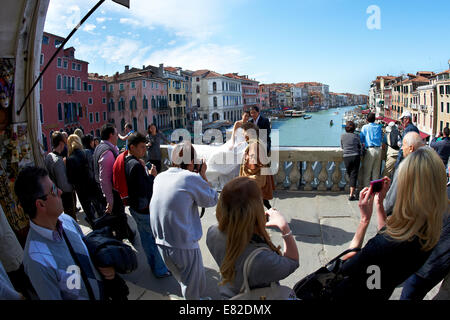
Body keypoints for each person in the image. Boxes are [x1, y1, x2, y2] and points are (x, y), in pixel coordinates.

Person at [333, 147, 447, 300]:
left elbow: (345, 265)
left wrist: (364, 221)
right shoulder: (429, 232)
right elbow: (388, 251)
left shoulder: (380, 248)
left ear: (405, 187)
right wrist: (379, 205)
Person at [14, 166, 114, 300]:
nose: (60, 191)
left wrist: (103, 268)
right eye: (54, 190)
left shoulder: (67, 221)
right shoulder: (36, 260)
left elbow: (87, 256)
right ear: (41, 204)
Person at [206, 177, 299, 299]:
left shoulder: (212, 233)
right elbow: (292, 262)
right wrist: (284, 227)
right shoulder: (263, 260)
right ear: (256, 211)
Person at [150, 142, 218, 299]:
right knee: (193, 285)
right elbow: (212, 199)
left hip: (161, 243)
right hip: (183, 245)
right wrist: (203, 175)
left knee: (184, 281)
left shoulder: (160, 177)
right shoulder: (191, 178)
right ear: (191, 162)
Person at [124, 132, 171, 278]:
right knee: (154, 241)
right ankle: (160, 269)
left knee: (146, 240)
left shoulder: (128, 161)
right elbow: (145, 190)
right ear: (132, 147)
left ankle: (154, 266)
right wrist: (152, 175)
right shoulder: (136, 166)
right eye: (142, 147)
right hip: (144, 210)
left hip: (135, 208)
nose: (145, 150)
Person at [383, 132, 425, 216]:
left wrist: (380, 202)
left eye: (403, 145)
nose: (401, 148)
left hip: (407, 218)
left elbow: (390, 203)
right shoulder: (431, 165)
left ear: (411, 148)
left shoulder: (405, 168)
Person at [66, 134, 104, 225]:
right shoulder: (87, 152)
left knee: (90, 214)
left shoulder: (69, 159)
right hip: (92, 185)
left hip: (81, 190)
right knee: (100, 210)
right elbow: (94, 169)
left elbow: (71, 179)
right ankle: (106, 228)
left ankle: (97, 230)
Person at [239, 122, 275, 210]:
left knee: (252, 201)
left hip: (258, 178)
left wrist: (245, 158)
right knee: (262, 201)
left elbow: (253, 166)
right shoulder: (257, 142)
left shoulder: (254, 145)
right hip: (262, 176)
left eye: (244, 132)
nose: (243, 134)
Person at [44, 131, 76, 220]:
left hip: (54, 193)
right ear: (61, 143)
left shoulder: (48, 156)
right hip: (64, 196)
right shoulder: (58, 161)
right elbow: (64, 185)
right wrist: (73, 188)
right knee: (71, 218)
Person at [93, 123, 120, 215]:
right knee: (119, 220)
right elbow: (104, 180)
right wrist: (110, 201)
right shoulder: (107, 153)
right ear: (111, 135)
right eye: (116, 134)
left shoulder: (99, 147)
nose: (118, 137)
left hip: (101, 191)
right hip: (111, 194)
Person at [359, 112, 383, 187]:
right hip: (379, 150)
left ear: (367, 119)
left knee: (367, 173)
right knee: (376, 173)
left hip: (370, 150)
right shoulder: (379, 127)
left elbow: (361, 139)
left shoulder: (365, 127)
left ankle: (367, 192)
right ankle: (374, 193)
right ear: (374, 119)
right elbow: (381, 137)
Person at [341, 121, 361, 201]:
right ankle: (351, 194)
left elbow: (342, 146)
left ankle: (352, 192)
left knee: (350, 174)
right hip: (355, 156)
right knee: (354, 175)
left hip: (346, 157)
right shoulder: (357, 136)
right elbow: (359, 146)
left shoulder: (342, 136)